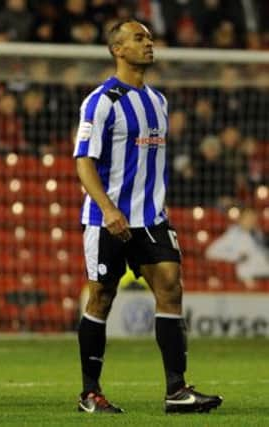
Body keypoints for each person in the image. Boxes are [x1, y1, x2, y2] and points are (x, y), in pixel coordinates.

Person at [72, 19, 223, 414]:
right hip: (107, 218)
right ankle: (90, 393)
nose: (149, 43)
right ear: (117, 50)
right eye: (139, 38)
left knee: (171, 287)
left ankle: (177, 390)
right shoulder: (101, 101)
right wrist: (107, 209)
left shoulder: (158, 101)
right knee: (101, 296)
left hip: (151, 218)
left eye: (150, 37)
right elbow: (84, 162)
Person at [206, 207, 269, 288]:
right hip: (247, 276)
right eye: (248, 218)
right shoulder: (232, 235)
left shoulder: (258, 234)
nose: (251, 221)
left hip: (263, 271)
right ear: (240, 219)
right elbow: (210, 252)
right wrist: (237, 256)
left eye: (253, 218)